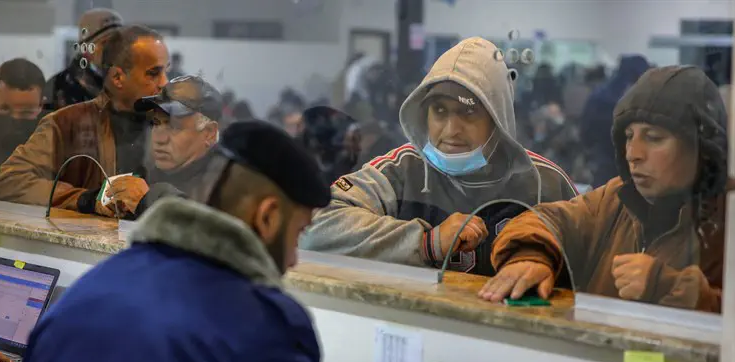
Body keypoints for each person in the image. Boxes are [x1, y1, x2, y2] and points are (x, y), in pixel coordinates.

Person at [24, 121, 337, 362]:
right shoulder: (266, 326)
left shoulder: (92, 286)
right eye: (297, 234)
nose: (293, 259)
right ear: (267, 217)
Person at [300, 37, 577, 275]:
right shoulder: (401, 171)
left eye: (469, 111)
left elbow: (590, 262)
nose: (451, 130)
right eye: (440, 111)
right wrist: (425, 243)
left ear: (498, 119)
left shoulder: (546, 184)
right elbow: (314, 225)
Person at [481, 66, 728, 313]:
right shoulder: (616, 198)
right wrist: (531, 255)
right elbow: (546, 219)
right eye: (629, 136)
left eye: (654, 137)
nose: (633, 153)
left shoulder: (726, 223)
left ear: (701, 147)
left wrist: (669, 287)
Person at [0, 25, 170, 217]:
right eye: (153, 73)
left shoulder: (175, 123)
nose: (164, 82)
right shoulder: (67, 124)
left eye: (166, 71)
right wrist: (87, 199)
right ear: (117, 77)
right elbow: (9, 182)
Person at [130, 75, 226, 216]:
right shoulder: (146, 172)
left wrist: (146, 200)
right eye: (155, 123)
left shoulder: (224, 186)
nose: (160, 139)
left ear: (209, 133)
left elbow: (201, 220)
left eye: (175, 127)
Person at [580, 55, 649, 186]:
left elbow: (586, 129)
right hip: (632, 159)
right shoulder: (641, 97)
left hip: (603, 157)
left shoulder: (599, 95)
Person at [0, 58, 46, 198]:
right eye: (5, 109)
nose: (15, 119)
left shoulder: (51, 145)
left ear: (41, 105)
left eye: (26, 112)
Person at [44, 8, 123, 111]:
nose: (115, 48)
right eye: (105, 43)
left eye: (119, 43)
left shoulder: (133, 81)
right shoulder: (58, 87)